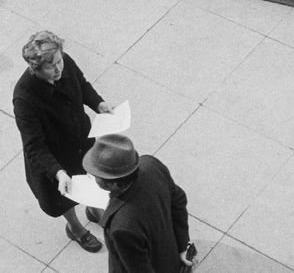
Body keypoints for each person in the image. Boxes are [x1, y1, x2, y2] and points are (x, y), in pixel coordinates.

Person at [12, 31, 113, 253]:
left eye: (59, 61)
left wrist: (99, 104)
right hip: (54, 158)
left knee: (90, 181)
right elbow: (34, 146)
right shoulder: (24, 98)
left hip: (80, 141)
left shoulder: (64, 62)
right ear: (35, 68)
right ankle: (75, 228)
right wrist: (58, 172)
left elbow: (82, 85)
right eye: (51, 66)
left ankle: (94, 211)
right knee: (65, 196)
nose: (59, 69)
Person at [83, 133, 195, 272]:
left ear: (115, 184)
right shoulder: (151, 165)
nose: (94, 177)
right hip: (171, 254)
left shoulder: (122, 226)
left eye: (97, 176)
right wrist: (183, 244)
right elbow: (178, 200)